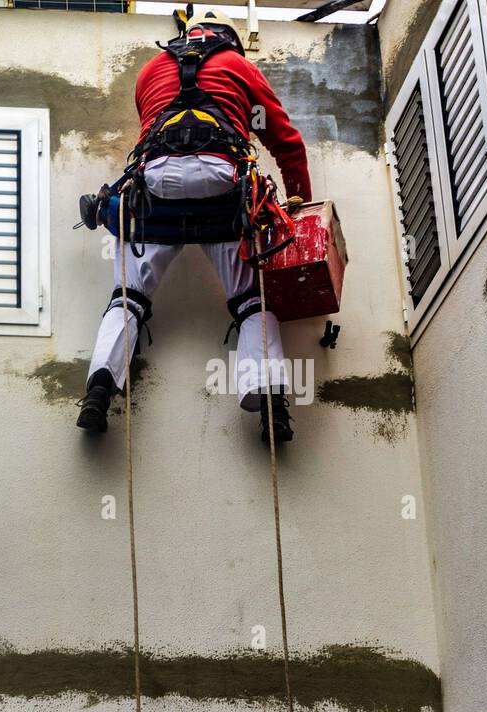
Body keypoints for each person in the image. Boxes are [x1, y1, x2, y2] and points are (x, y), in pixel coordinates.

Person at [77, 7, 311, 444]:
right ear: (228, 38)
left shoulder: (150, 71)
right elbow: (286, 142)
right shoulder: (238, 65)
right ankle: (271, 399)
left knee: (127, 298)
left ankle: (99, 386)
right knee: (251, 302)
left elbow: (150, 129)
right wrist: (298, 201)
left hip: (157, 188)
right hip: (223, 192)